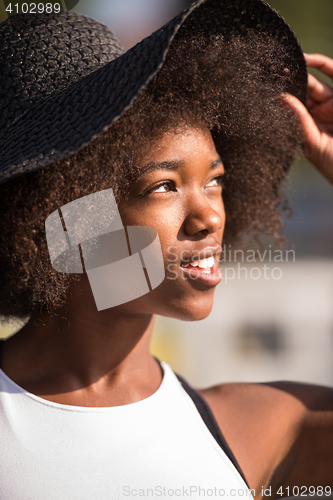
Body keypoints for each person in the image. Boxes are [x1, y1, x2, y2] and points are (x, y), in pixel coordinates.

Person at [0, 1, 332, 498]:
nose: (211, 217)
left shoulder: (256, 430)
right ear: (71, 219)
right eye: (164, 186)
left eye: (216, 181)